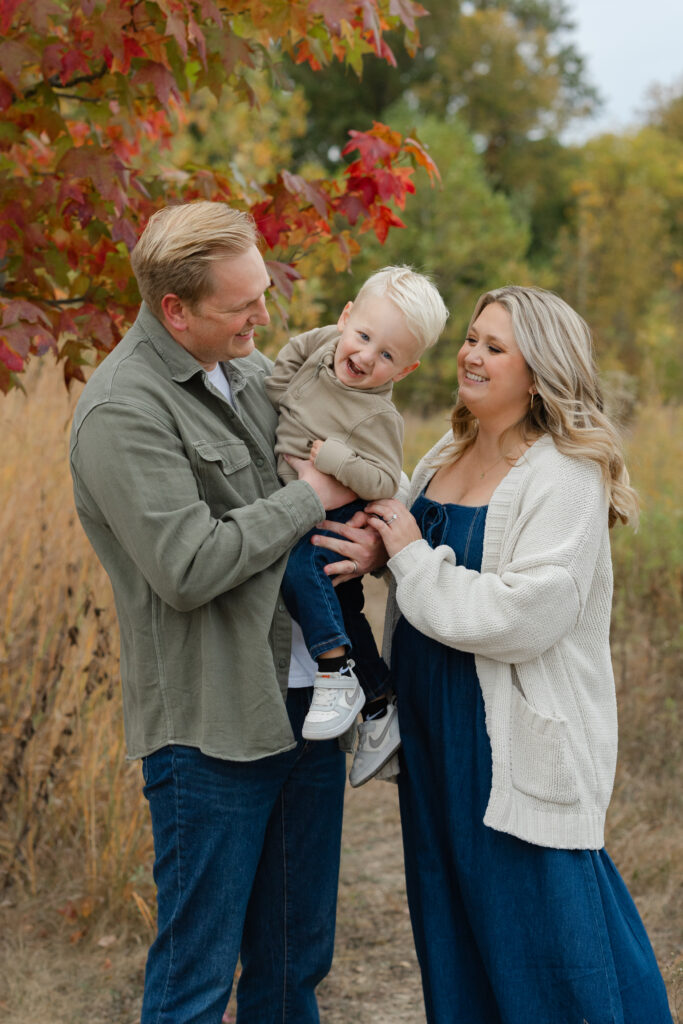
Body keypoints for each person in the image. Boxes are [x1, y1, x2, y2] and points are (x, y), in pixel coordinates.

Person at [69, 200, 381, 1024]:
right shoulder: (121, 411)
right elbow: (188, 565)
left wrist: (370, 543)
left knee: (293, 962)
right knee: (196, 977)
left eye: (262, 294)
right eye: (241, 306)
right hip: (210, 727)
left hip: (308, 706)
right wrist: (309, 497)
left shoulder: (252, 372)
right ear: (175, 309)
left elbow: (329, 479)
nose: (262, 316)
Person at [362, 287, 673, 1023]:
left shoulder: (562, 473)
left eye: (492, 347)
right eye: (470, 339)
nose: (468, 354)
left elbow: (521, 616)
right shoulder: (445, 453)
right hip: (435, 728)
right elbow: (417, 565)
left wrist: (406, 556)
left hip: (509, 736)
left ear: (537, 373)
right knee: (452, 920)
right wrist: (375, 551)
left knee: (547, 933)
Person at [265, 267, 448, 786]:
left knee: (302, 570)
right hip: (300, 497)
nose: (366, 356)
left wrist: (336, 458)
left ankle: (336, 671)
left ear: (406, 369)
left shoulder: (377, 416)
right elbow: (293, 357)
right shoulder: (323, 347)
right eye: (363, 337)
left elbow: (385, 477)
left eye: (387, 355)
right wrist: (277, 388)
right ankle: (378, 708)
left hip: (336, 509)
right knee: (340, 604)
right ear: (346, 318)